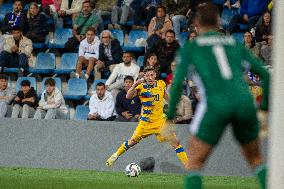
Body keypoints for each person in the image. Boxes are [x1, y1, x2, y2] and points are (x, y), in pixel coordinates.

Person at [166, 2, 269, 189]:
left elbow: (176, 84)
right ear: (219, 21)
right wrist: (263, 111)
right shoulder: (233, 44)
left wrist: (169, 117)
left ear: (196, 22)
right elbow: (267, 76)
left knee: (194, 164)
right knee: (256, 160)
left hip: (216, 104)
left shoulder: (192, 47)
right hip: (245, 104)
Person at [106, 66, 189, 167]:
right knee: (132, 142)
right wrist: (134, 85)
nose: (150, 77)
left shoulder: (161, 84)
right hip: (146, 123)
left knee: (175, 142)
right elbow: (128, 96)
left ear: (155, 75)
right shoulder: (140, 87)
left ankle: (188, 166)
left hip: (160, 121)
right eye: (147, 75)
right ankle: (115, 156)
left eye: (152, 75)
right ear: (144, 76)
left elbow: (165, 95)